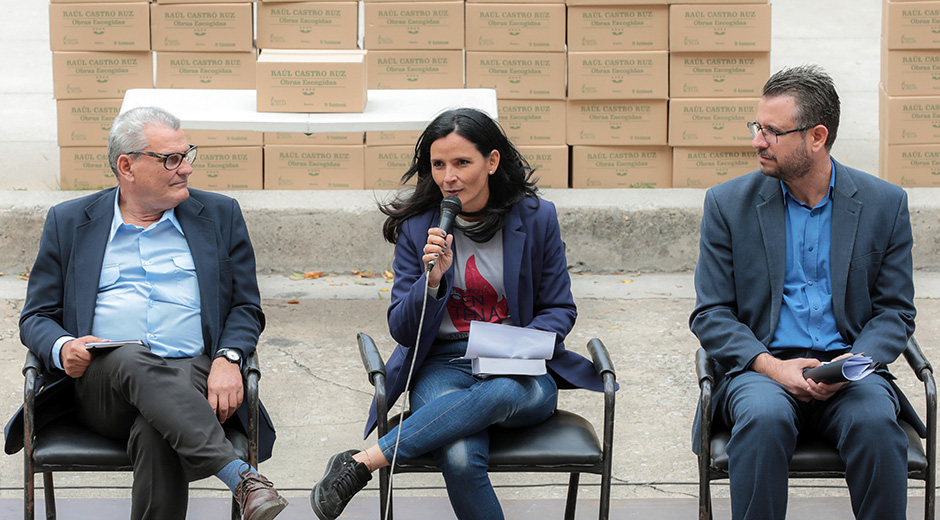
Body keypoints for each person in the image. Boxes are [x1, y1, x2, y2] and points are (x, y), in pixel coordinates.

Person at [310, 107, 609, 520]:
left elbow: (559, 308)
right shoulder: (419, 227)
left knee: (503, 391)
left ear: (492, 161)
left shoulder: (536, 218)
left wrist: (518, 346)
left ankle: (364, 461)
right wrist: (431, 283)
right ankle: (374, 457)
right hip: (444, 363)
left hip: (518, 365)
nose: (448, 177)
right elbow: (402, 329)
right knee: (460, 457)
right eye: (438, 165)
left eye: (462, 163)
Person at [8, 106, 288, 520]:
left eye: (186, 155)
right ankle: (239, 476)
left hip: (193, 374)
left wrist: (229, 358)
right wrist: (63, 346)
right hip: (103, 385)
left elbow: (245, 306)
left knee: (158, 431)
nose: (186, 168)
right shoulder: (70, 222)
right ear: (127, 166)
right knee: (128, 355)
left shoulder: (219, 215)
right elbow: (36, 316)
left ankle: (243, 481)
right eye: (171, 159)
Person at [689, 65, 917, 520]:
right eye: (757, 127)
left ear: (817, 136)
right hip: (761, 369)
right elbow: (711, 313)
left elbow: (895, 312)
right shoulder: (727, 205)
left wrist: (853, 365)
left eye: (772, 132)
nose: (758, 141)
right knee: (763, 419)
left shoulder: (884, 204)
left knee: (876, 422)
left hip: (849, 369)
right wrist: (772, 367)